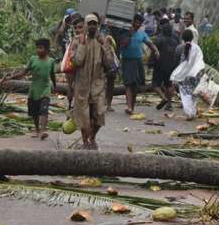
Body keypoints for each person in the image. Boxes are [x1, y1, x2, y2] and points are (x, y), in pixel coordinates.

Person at [70, 14, 115, 150]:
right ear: (85, 25)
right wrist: (83, 44)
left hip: (98, 85)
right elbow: (77, 62)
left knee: (99, 114)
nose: (92, 26)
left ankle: (92, 137)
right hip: (82, 85)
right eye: (89, 24)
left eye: (94, 24)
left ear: (98, 25)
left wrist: (105, 45)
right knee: (84, 116)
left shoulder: (103, 40)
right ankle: (86, 142)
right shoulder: (77, 40)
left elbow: (110, 64)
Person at [7, 38, 56, 139]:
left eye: (41, 48)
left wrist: (54, 86)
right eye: (37, 48)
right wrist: (11, 77)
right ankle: (37, 130)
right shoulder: (33, 59)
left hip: (45, 89)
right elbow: (23, 73)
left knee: (44, 110)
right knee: (34, 112)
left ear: (47, 50)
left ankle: (43, 131)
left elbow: (52, 75)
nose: (38, 50)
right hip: (34, 89)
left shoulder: (51, 61)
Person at [120, 13, 159, 114]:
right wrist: (130, 34)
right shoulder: (125, 32)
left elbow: (149, 44)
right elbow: (123, 45)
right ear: (132, 22)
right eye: (135, 22)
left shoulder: (142, 33)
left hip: (138, 61)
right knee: (128, 84)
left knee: (136, 86)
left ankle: (131, 106)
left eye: (139, 23)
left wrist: (156, 51)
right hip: (127, 60)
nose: (137, 24)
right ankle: (128, 106)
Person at [171, 30, 205, 121]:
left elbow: (177, 63)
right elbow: (201, 61)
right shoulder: (197, 48)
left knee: (185, 94)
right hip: (195, 75)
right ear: (192, 38)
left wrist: (175, 75)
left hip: (184, 76)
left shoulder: (179, 48)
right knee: (194, 94)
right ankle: (193, 112)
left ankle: (189, 113)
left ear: (182, 38)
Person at [152, 17, 179, 111]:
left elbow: (153, 53)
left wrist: (151, 63)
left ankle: (163, 98)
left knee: (155, 85)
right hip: (171, 66)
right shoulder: (175, 39)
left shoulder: (158, 39)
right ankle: (169, 104)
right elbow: (177, 52)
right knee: (169, 85)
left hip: (159, 66)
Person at [64, 16, 85, 110]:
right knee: (72, 86)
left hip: (76, 65)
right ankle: (71, 105)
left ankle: (73, 106)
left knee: (74, 86)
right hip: (74, 65)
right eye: (76, 28)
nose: (77, 30)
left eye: (80, 27)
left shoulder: (84, 38)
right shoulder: (76, 39)